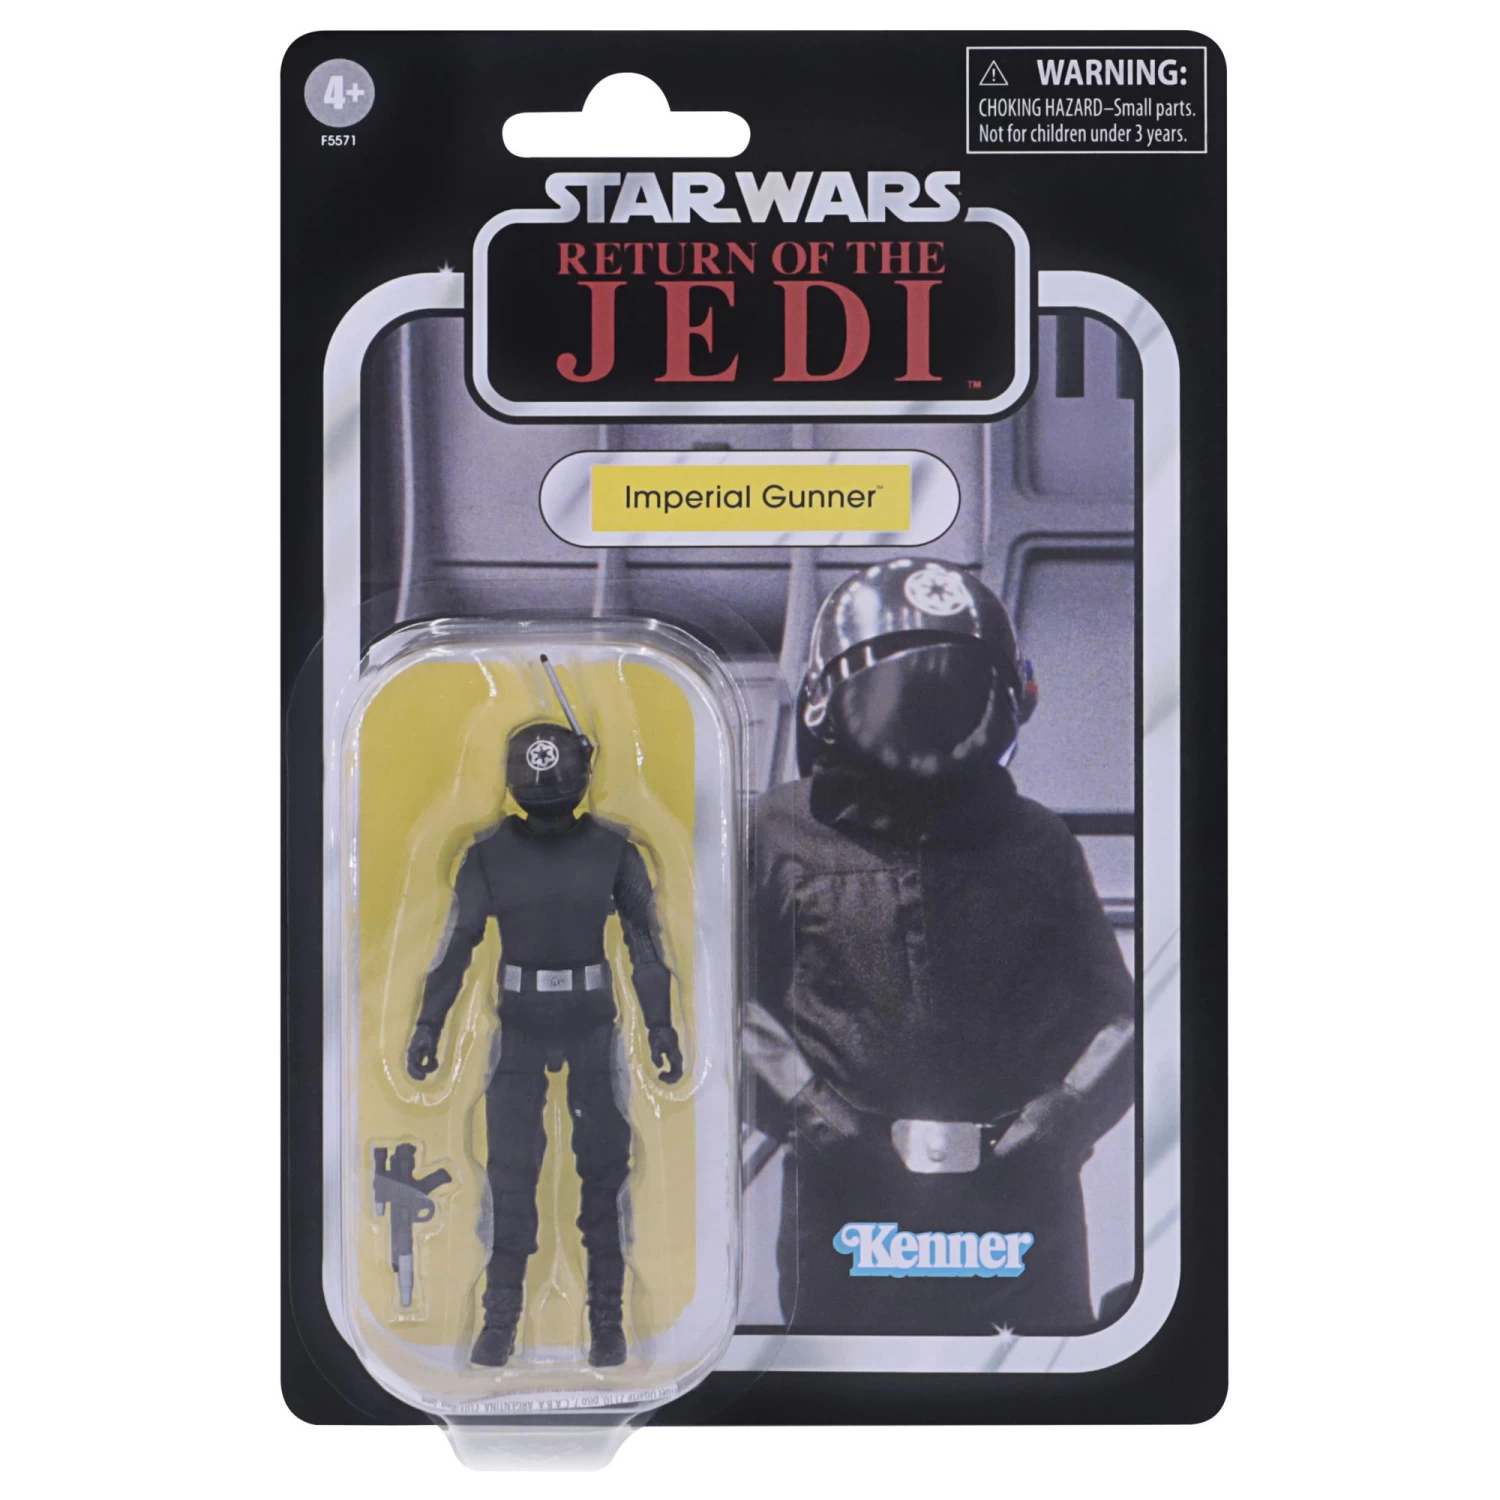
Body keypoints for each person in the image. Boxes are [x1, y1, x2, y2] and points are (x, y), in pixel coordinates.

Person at [750, 558, 1134, 1335]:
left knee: (1032, 1386)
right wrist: (808, 1112)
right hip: (849, 1206)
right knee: (851, 1384)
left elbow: (1115, 1017)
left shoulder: (1037, 842)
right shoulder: (779, 833)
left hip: (1020, 1203)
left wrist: (1064, 1120)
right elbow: (714, 999)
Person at [406, 715, 684, 1368]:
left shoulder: (612, 849)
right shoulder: (491, 853)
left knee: (603, 1176)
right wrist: (429, 1023)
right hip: (524, 1026)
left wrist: (661, 1025)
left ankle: (606, 1324)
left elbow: (647, 946)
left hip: (589, 1024)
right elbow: (454, 948)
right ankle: (501, 1323)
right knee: (512, 1176)